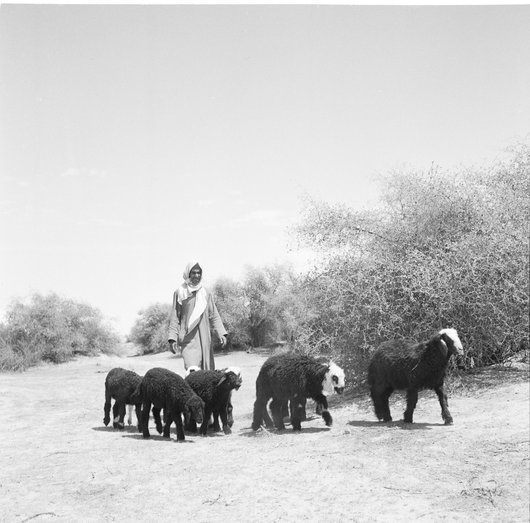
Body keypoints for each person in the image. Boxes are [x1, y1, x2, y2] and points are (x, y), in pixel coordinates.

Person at [168, 261, 227, 370]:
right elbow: (175, 317)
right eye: (194, 273)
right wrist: (172, 338)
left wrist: (221, 333)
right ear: (188, 274)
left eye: (199, 273)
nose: (197, 275)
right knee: (192, 372)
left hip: (204, 339)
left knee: (206, 375)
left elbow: (214, 314)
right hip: (188, 339)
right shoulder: (180, 292)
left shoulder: (206, 293)